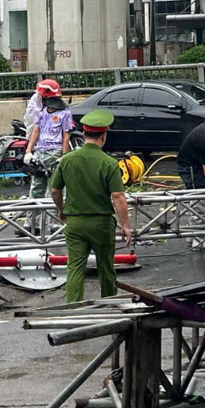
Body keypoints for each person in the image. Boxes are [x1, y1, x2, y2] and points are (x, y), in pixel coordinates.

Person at [49, 110, 132, 305]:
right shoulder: (109, 163)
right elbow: (118, 196)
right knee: (106, 267)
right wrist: (125, 225)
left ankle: (73, 309)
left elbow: (55, 191)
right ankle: (109, 306)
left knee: (75, 267)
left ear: (84, 135)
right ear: (104, 136)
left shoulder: (67, 160)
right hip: (101, 223)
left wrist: (61, 209)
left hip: (75, 223)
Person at [23, 79, 75, 198]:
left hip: (54, 152)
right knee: (37, 188)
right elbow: (35, 131)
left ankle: (54, 215)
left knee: (55, 189)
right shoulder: (41, 112)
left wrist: (64, 155)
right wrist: (29, 151)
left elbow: (66, 135)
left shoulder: (64, 113)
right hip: (40, 152)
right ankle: (34, 215)